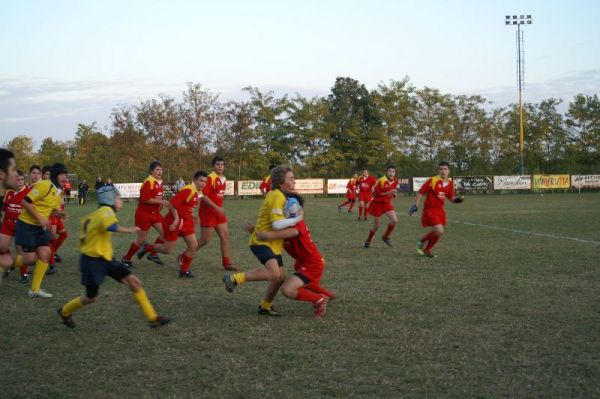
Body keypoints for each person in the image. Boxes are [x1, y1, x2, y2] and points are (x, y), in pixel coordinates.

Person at [56, 185, 171, 329]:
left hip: (106, 259)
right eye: (118, 198)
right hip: (92, 262)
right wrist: (130, 230)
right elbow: (111, 226)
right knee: (91, 297)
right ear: (109, 199)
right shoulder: (106, 210)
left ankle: (153, 318)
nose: (120, 201)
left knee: (134, 282)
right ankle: (64, 311)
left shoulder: (95, 213)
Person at [223, 165, 300, 316]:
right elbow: (277, 225)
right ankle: (233, 279)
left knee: (280, 277)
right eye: (291, 179)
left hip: (273, 244)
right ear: (280, 182)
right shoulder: (276, 195)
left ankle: (265, 306)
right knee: (273, 274)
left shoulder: (283, 196)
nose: (294, 182)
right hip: (261, 242)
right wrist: (297, 220)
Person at [248, 194, 334, 318]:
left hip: (312, 264)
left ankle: (320, 299)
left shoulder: (295, 225)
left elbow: (288, 233)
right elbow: (273, 236)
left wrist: (263, 234)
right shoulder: (287, 224)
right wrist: (255, 231)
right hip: (303, 262)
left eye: (283, 205)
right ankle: (328, 296)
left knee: (287, 290)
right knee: (307, 284)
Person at [136, 171, 208, 278]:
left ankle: (184, 271)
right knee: (167, 250)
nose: (203, 183)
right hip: (173, 221)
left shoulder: (197, 191)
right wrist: (176, 220)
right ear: (194, 180)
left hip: (186, 222)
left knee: (193, 245)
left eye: (205, 182)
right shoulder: (188, 190)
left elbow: (184, 207)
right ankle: (147, 247)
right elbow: (172, 204)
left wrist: (192, 215)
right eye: (201, 181)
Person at [15, 163, 68, 298]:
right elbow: (25, 202)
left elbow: (51, 209)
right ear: (55, 175)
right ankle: (8, 263)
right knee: (30, 259)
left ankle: (35, 289)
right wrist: (40, 218)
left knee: (45, 253)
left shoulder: (59, 191)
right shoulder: (45, 185)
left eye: (66, 175)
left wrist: (60, 214)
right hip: (27, 224)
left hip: (40, 227)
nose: (65, 177)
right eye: (62, 174)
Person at [121, 161, 172, 267]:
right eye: (157, 169)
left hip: (155, 214)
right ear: (151, 171)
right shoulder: (148, 182)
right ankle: (126, 259)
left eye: (161, 169)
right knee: (141, 239)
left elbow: (158, 198)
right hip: (144, 214)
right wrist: (161, 202)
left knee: (165, 232)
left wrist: (160, 205)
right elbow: (145, 199)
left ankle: (153, 254)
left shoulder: (160, 182)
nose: (160, 171)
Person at [410, 161, 464, 257]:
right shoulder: (433, 180)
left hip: (440, 210)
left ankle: (427, 250)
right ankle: (421, 241)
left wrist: (457, 200)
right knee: (439, 231)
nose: (443, 171)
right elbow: (421, 192)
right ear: (438, 170)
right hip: (430, 209)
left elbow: (451, 198)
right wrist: (415, 206)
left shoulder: (450, 183)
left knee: (438, 233)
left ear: (449, 171)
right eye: (441, 169)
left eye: (445, 169)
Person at [196, 156, 237, 271]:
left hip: (218, 213)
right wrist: (216, 207)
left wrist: (219, 209)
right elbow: (202, 195)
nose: (220, 166)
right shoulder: (210, 178)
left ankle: (227, 263)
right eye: (218, 164)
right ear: (213, 166)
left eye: (222, 165)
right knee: (205, 239)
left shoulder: (223, 179)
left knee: (225, 236)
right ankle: (184, 256)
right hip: (207, 212)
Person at [0, 170, 30, 283]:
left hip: (21, 225)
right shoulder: (9, 193)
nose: (20, 182)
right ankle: (9, 265)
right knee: (2, 246)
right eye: (17, 180)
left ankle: (24, 274)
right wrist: (3, 220)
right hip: (7, 223)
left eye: (22, 179)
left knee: (19, 249)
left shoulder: (29, 192)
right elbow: (5, 209)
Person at [364, 166, 399, 248]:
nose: (391, 173)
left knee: (395, 220)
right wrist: (389, 192)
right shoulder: (381, 180)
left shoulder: (395, 181)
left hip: (387, 204)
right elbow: (376, 194)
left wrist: (394, 194)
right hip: (378, 204)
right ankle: (368, 240)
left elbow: (392, 190)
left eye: (393, 172)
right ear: (386, 172)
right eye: (390, 171)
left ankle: (385, 236)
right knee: (376, 226)